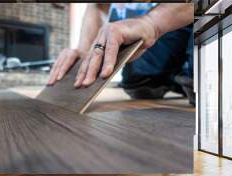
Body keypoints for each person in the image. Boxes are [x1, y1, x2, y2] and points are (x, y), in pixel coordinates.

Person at [47, 3, 195, 105]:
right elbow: (98, 6)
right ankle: (180, 74)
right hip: (172, 26)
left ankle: (189, 70)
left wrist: (152, 24)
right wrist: (85, 54)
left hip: (201, 13)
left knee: (201, 78)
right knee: (138, 82)